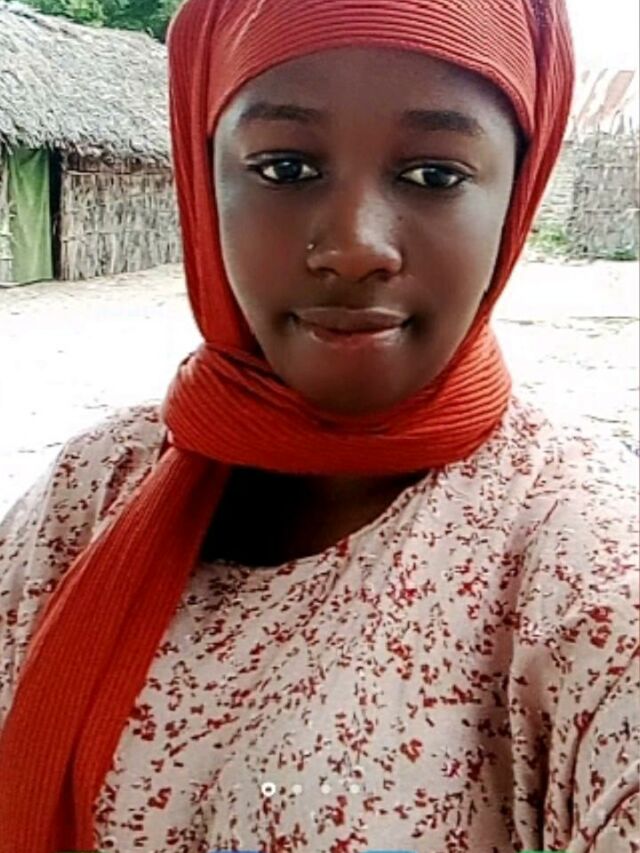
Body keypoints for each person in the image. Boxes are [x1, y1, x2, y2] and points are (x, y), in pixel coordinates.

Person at [0, 0, 637, 851]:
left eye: (435, 175)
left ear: (516, 196)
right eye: (286, 167)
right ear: (204, 179)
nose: (353, 246)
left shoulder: (584, 574)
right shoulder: (92, 492)